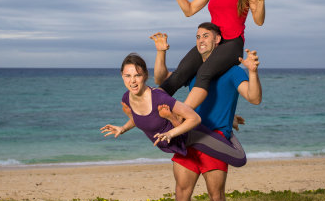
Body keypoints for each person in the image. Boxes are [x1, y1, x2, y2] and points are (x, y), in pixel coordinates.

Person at [151, 22, 262, 201]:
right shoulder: (195, 68)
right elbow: (164, 81)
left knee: (216, 197)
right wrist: (161, 53)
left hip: (214, 140)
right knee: (182, 194)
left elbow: (254, 98)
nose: (201, 40)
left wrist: (252, 72)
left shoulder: (233, 71)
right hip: (188, 137)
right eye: (198, 36)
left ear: (218, 40)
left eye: (206, 36)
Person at [157, 0, 278, 110]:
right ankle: (149, 108)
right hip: (212, 40)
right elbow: (189, 10)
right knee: (180, 73)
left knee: (204, 72)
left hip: (232, 42)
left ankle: (181, 115)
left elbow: (259, 21)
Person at [101, 54, 248, 168]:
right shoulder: (127, 98)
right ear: (122, 76)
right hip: (177, 142)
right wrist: (123, 128)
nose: (132, 81)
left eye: (137, 75)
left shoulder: (159, 98)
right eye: (128, 76)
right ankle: (227, 118)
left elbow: (194, 119)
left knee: (239, 159)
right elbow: (139, 118)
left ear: (145, 75)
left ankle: (229, 121)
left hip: (192, 136)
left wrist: (170, 133)